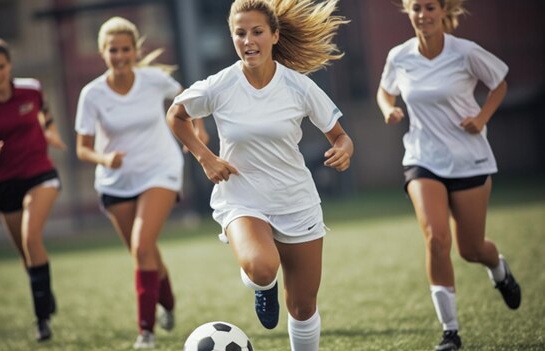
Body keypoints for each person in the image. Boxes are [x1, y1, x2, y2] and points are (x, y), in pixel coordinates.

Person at [167, 1, 352, 350]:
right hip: (242, 198)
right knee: (263, 267)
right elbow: (176, 115)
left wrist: (344, 150)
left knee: (302, 306)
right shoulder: (219, 85)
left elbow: (340, 136)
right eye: (240, 33)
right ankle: (260, 282)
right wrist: (205, 158)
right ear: (232, 38)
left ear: (274, 35)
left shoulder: (299, 87)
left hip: (296, 201)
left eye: (257, 32)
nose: (248, 40)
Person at [376, 0, 521, 350]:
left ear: (443, 12)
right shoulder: (399, 55)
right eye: (415, 8)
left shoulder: (466, 52)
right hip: (422, 159)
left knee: (471, 249)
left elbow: (499, 82)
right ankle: (450, 332)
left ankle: (498, 269)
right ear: (408, 13)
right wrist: (388, 109)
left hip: (468, 159)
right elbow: (385, 90)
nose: (422, 15)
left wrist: (482, 118)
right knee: (437, 240)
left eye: (429, 8)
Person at [74, 17, 207, 349]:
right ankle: (169, 301)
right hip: (115, 181)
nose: (119, 55)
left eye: (125, 49)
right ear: (102, 52)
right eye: (112, 50)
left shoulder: (153, 80)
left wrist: (199, 130)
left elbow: (189, 100)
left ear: (135, 51)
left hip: (160, 170)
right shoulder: (91, 94)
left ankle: (145, 332)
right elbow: (82, 149)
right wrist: (105, 160)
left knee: (141, 246)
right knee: (144, 251)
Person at [0, 37, 66, 342]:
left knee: (30, 236)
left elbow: (44, 112)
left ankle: (42, 320)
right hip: (5, 182)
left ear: (9, 66)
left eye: (1, 67)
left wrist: (50, 131)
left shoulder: (31, 89)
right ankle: (44, 293)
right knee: (25, 254)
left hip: (40, 174)